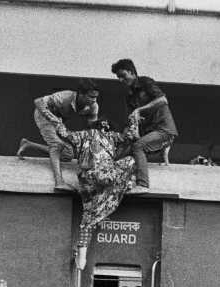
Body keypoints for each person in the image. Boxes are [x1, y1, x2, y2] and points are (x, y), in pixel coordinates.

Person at [15, 80, 101, 190]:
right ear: (81, 94)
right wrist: (54, 120)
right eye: (91, 97)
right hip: (44, 115)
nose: (94, 100)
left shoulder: (93, 106)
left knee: (68, 155)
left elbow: (92, 130)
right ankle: (59, 182)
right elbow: (38, 102)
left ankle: (28, 144)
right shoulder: (65, 97)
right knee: (56, 145)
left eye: (96, 97)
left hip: (59, 120)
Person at [111, 60, 177, 188]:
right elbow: (131, 121)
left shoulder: (145, 82)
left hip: (164, 130)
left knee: (138, 147)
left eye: (123, 76)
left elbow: (163, 100)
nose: (121, 80)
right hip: (150, 133)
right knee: (124, 152)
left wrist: (140, 110)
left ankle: (143, 185)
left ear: (131, 72)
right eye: (118, 77)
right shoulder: (129, 96)